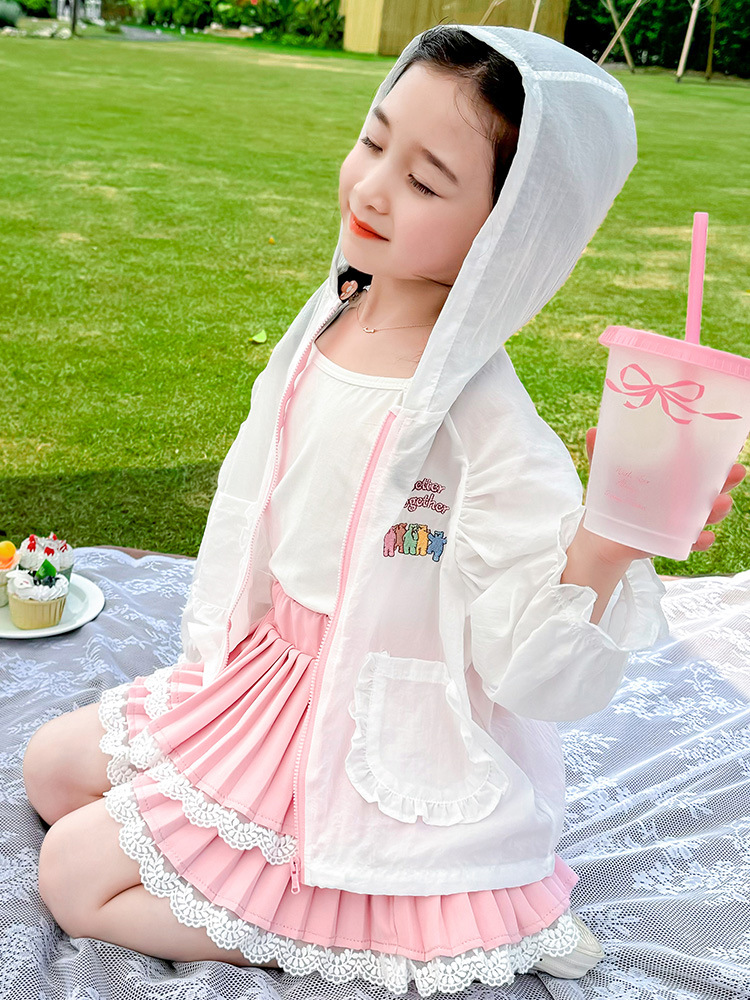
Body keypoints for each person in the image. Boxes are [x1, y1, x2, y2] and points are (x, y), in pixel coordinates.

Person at [22, 23, 746, 998]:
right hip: (267, 678)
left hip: (365, 723)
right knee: (50, 769)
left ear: (506, 230)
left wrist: (606, 547)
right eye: (373, 140)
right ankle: (249, 857)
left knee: (73, 876)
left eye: (426, 182)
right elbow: (259, 497)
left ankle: (370, 923)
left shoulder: (485, 422)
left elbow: (533, 671)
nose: (370, 188)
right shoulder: (338, 309)